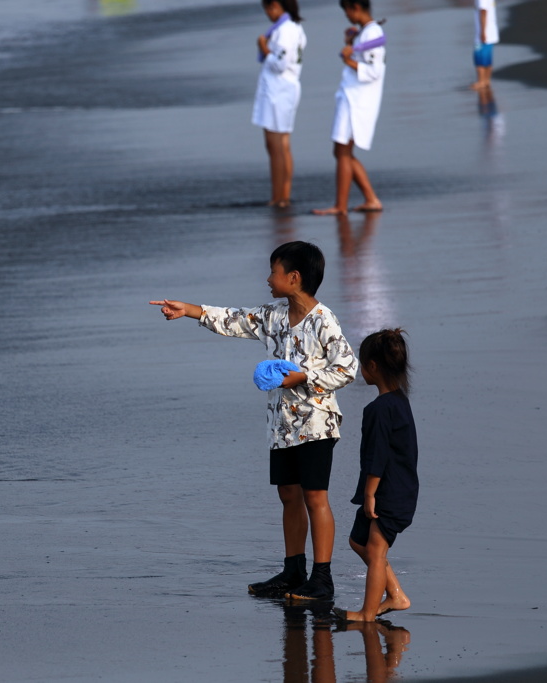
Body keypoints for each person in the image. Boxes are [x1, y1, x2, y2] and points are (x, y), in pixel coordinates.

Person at [150, 241, 358, 599]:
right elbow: (234, 319)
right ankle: (294, 570)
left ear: (293, 278)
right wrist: (189, 310)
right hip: (281, 426)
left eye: (273, 272)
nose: (267, 278)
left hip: (317, 425)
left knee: (315, 497)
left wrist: (304, 377)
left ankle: (322, 579)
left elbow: (347, 367)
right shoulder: (275, 315)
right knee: (288, 495)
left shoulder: (323, 320)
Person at [331, 329, 418, 622]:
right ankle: (395, 595)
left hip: (388, 490)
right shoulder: (399, 401)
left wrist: (370, 493)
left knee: (377, 550)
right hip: (401, 487)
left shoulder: (379, 409)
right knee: (359, 542)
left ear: (373, 366)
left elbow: (377, 456)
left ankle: (367, 614)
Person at [312, 0, 385, 216]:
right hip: (351, 96)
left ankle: (340, 206)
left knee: (343, 151)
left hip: (358, 100)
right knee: (341, 151)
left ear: (355, 7)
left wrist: (348, 60)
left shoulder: (373, 33)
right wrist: (351, 44)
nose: (346, 16)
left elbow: (374, 71)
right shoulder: (366, 33)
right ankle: (370, 198)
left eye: (346, 11)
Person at [252, 0, 307, 209]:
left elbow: (279, 63)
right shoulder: (295, 27)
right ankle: (282, 195)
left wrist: (264, 49)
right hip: (284, 88)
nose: (267, 13)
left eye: (268, 8)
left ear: (275, 5)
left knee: (275, 145)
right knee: (282, 145)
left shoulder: (285, 30)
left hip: (279, 90)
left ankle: (279, 197)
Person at [470, 0, 500, 90]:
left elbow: (483, 11)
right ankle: (486, 81)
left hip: (483, 34)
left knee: (478, 56)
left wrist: (482, 31)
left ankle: (481, 82)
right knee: (487, 57)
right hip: (491, 32)